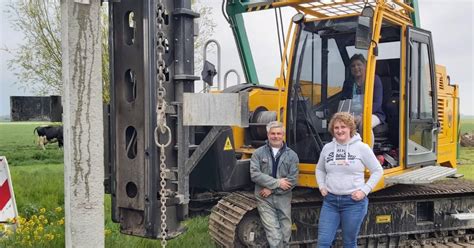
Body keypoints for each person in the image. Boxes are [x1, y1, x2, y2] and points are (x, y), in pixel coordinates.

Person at [316, 112, 383, 248]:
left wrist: (364, 191)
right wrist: (322, 186)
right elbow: (320, 169)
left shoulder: (361, 148)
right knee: (323, 242)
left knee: (349, 242)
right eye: (336, 128)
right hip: (330, 202)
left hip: (353, 203)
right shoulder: (327, 148)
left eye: (343, 127)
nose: (339, 130)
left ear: (350, 128)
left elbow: (377, 170)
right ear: (332, 130)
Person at [250, 121, 299, 248]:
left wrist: (272, 189)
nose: (275, 136)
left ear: (283, 135)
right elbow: (255, 174)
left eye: (278, 133)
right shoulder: (258, 153)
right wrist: (277, 183)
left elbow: (292, 180)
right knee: (274, 234)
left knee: (285, 232)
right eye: (273, 133)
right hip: (264, 198)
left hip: (283, 197)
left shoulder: (292, 156)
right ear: (268, 135)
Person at [340, 54, 386, 129]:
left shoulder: (374, 80)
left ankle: (367, 141)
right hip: (353, 114)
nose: (356, 68)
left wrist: (363, 115)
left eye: (359, 65)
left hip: (373, 114)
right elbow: (344, 102)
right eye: (353, 66)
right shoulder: (348, 83)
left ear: (365, 66)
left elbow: (377, 103)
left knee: (364, 125)